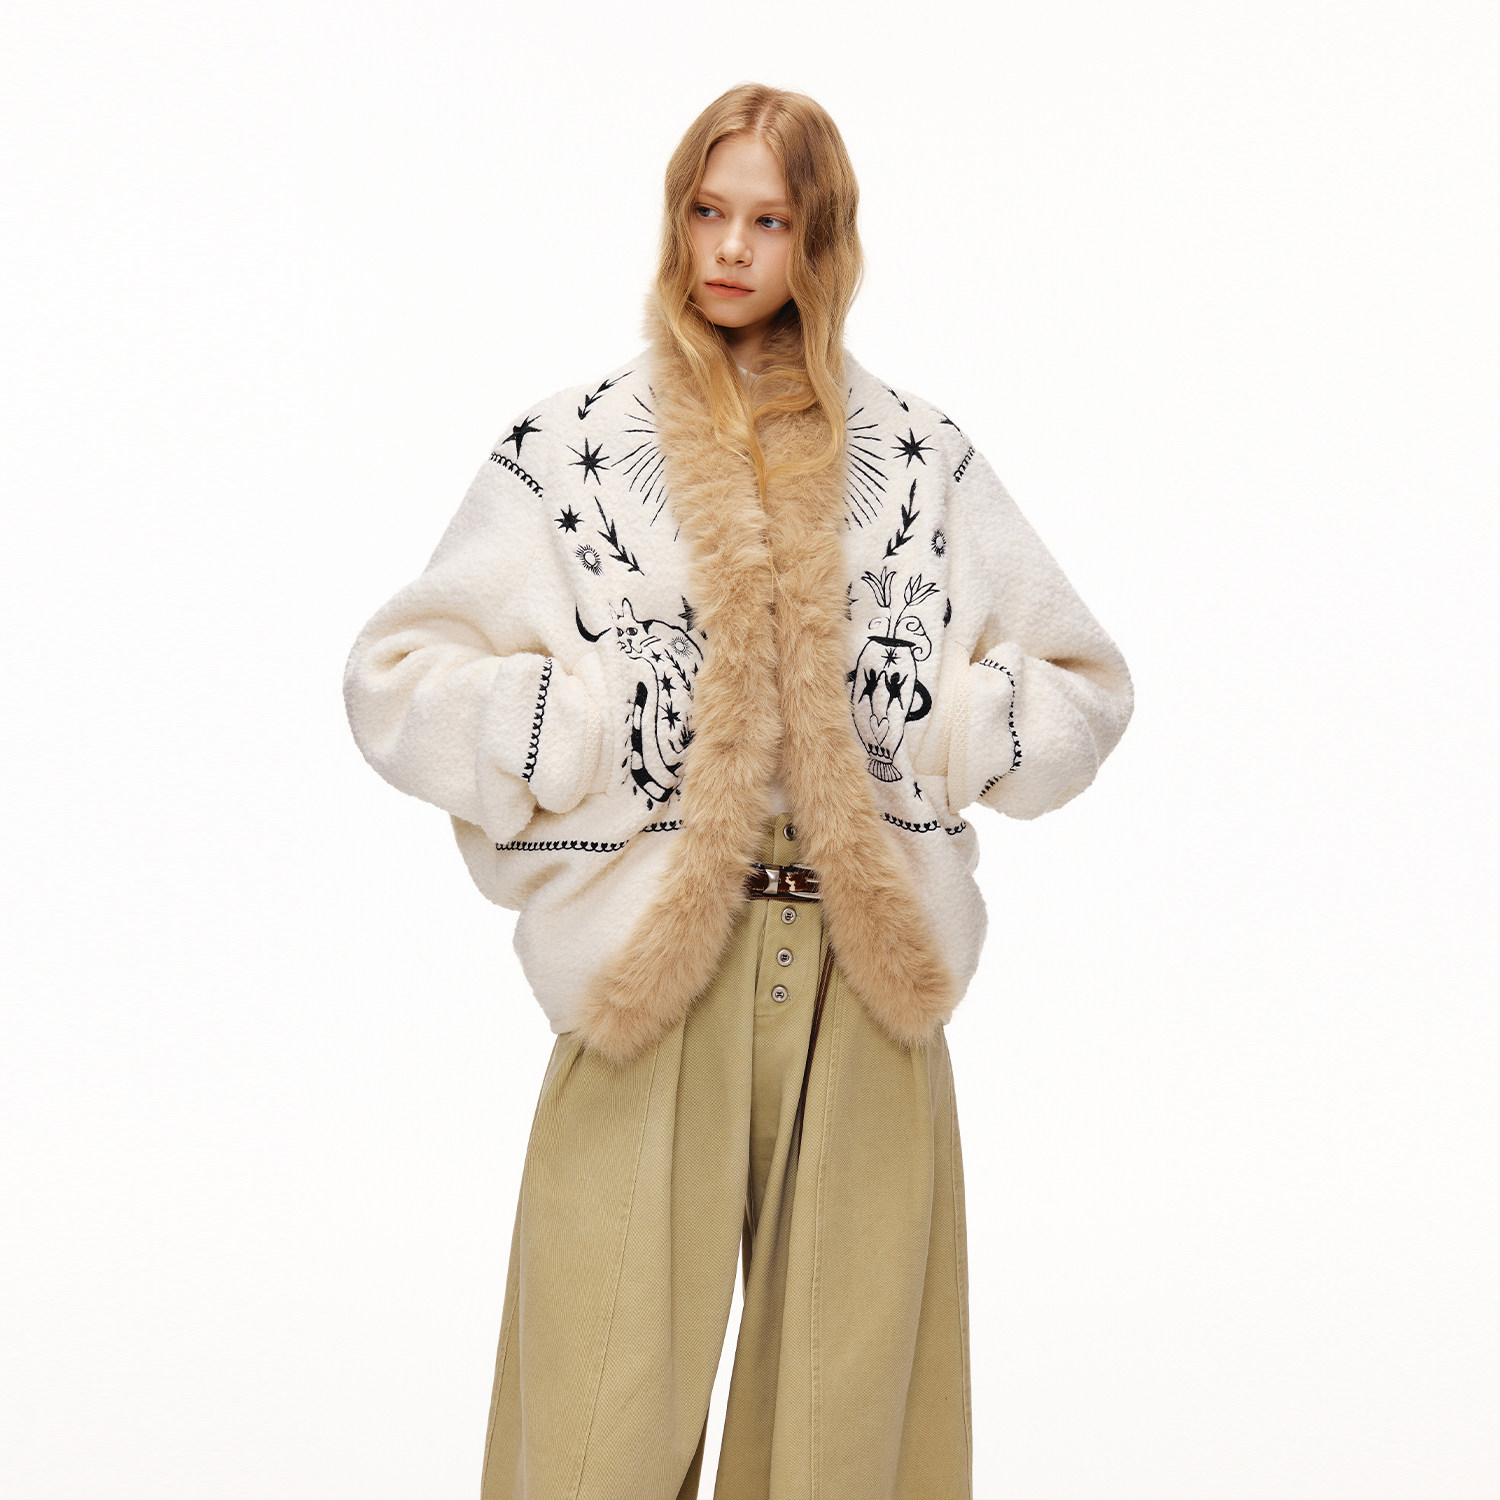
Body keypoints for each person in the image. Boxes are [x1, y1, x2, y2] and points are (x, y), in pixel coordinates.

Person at [343, 81, 1132, 1500]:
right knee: (592, 1423)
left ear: (822, 242)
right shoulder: (574, 448)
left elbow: (1085, 686)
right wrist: (577, 725)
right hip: (654, 974)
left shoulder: (920, 460)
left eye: (769, 221)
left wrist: (938, 724)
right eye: (708, 211)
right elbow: (394, 681)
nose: (728, 248)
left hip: (864, 976)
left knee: (851, 1438)